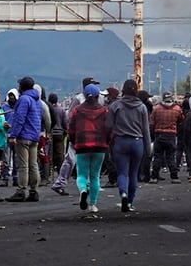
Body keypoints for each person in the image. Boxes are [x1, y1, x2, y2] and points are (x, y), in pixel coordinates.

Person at [106, 78, 153, 215]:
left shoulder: (116, 105)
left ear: (123, 90)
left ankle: (123, 194)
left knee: (122, 172)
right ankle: (130, 202)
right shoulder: (142, 107)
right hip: (137, 142)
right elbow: (146, 130)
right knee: (133, 174)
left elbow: (108, 125)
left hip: (120, 142)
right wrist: (148, 150)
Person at [66, 83, 112, 218]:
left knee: (81, 175)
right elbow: (109, 128)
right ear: (98, 96)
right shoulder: (104, 111)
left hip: (82, 146)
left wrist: (74, 142)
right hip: (99, 146)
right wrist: (107, 142)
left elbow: (71, 128)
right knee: (95, 176)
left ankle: (82, 190)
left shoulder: (77, 111)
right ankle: (93, 204)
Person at [5, 78, 45, 202]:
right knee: (33, 164)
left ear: (22, 87)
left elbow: (20, 118)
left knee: (23, 165)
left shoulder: (23, 99)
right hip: (34, 135)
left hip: (23, 136)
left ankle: (21, 190)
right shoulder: (37, 101)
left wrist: (13, 134)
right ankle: (34, 191)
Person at [149, 92, 183, 181]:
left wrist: (153, 133)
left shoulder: (156, 109)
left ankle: (154, 177)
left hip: (159, 134)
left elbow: (152, 123)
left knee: (158, 156)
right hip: (171, 135)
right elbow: (181, 120)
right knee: (171, 157)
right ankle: (174, 177)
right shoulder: (177, 109)